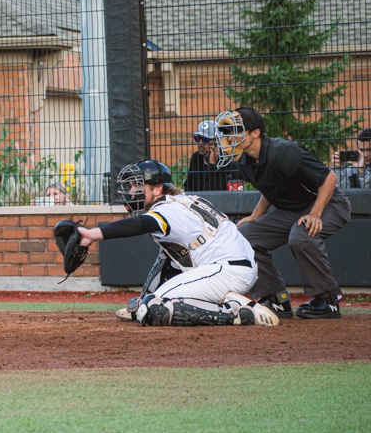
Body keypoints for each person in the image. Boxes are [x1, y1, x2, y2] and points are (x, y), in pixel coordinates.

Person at [76, 160, 278, 327]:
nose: (131, 191)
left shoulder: (167, 209)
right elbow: (168, 262)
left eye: (138, 185)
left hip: (226, 270)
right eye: (131, 186)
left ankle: (237, 311)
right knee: (150, 295)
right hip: (233, 266)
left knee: (154, 308)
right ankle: (228, 302)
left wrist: (93, 234)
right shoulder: (180, 201)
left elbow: (140, 224)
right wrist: (142, 298)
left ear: (157, 189)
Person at [215, 107, 351, 319]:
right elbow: (270, 188)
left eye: (236, 130)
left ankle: (327, 299)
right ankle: (276, 299)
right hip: (291, 210)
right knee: (244, 236)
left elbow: (329, 179)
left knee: (301, 235)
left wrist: (315, 214)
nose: (230, 137)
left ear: (255, 133)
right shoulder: (244, 162)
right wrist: (255, 216)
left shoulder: (284, 152)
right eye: (228, 131)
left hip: (328, 202)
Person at [184, 120, 233, 192]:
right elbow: (189, 185)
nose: (200, 143)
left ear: (217, 141)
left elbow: (212, 191)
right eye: (198, 139)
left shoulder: (227, 161)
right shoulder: (196, 158)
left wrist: (212, 165)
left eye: (205, 140)